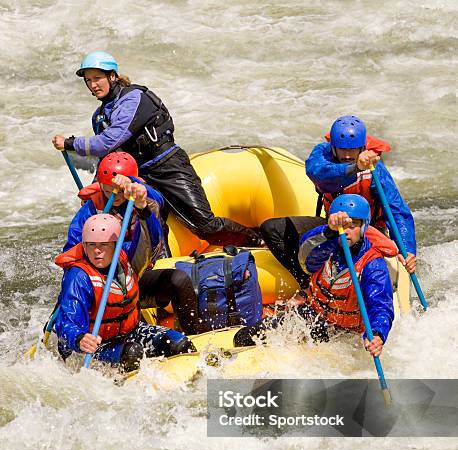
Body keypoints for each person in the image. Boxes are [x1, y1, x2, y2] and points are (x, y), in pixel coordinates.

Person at [52, 51, 262, 250]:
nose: (93, 84)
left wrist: (70, 143)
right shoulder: (99, 115)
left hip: (168, 166)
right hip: (141, 176)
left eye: (97, 78)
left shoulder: (134, 98)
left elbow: (108, 141)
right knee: (151, 227)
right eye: (88, 80)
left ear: (113, 76)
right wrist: (96, 186)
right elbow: (109, 157)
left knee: (205, 226)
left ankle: (258, 241)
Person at [260, 115, 417, 289]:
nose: (348, 155)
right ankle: (307, 285)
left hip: (366, 231)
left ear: (363, 147)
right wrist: (354, 168)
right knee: (272, 228)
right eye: (342, 150)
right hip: (333, 227)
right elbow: (318, 174)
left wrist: (407, 249)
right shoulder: (322, 154)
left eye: (353, 150)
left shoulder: (375, 169)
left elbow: (396, 210)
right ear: (333, 147)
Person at [234, 194, 397, 358]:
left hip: (347, 333)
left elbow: (381, 306)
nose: (346, 231)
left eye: (352, 225)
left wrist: (377, 334)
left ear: (363, 228)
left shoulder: (373, 265)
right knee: (243, 338)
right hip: (313, 315)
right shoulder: (325, 247)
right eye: (342, 226)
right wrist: (329, 232)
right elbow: (306, 258)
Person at [64, 151, 199, 335]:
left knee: (179, 280)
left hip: (135, 277)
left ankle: (194, 334)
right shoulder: (91, 209)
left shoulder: (142, 197)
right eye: (108, 190)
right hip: (104, 283)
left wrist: (140, 202)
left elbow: (155, 239)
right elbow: (71, 251)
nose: (115, 195)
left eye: (120, 190)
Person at [54, 213, 196, 372]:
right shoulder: (79, 277)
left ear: (116, 244)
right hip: (96, 346)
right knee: (132, 353)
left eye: (103, 245)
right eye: (91, 245)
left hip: (131, 333)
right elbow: (66, 322)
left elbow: (153, 241)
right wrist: (79, 338)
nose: (97, 251)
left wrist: (144, 210)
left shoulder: (126, 256)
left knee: (179, 343)